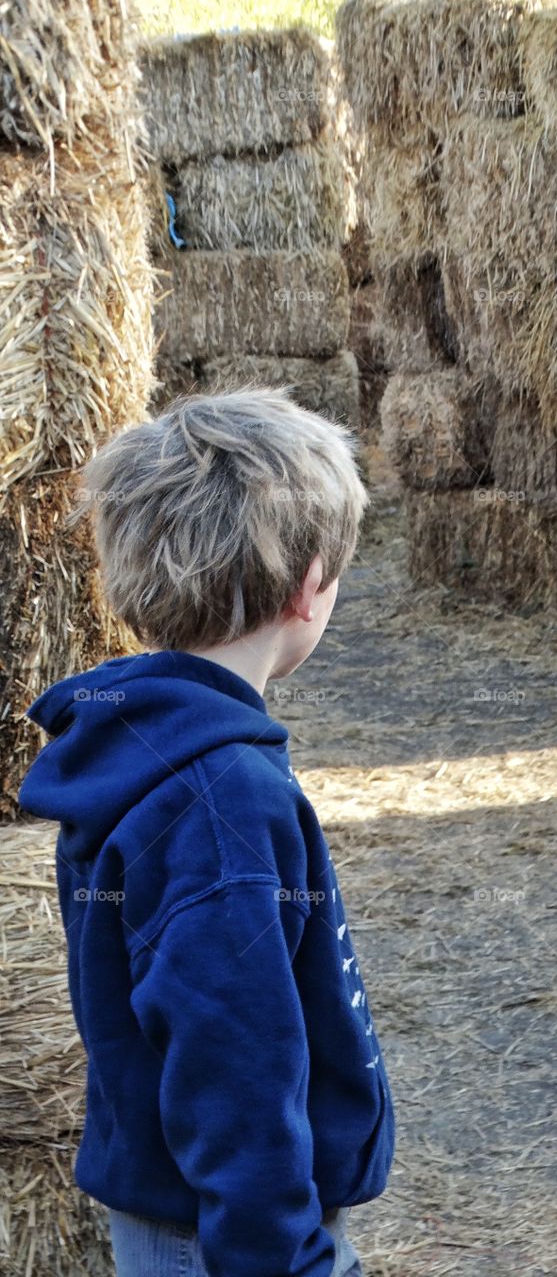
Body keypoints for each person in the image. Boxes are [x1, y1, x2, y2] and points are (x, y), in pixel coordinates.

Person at [19, 389, 393, 1277]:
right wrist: (280, 1252)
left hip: (184, 1217)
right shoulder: (220, 801)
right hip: (232, 1239)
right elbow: (233, 1062)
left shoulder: (151, 741)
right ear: (310, 588)